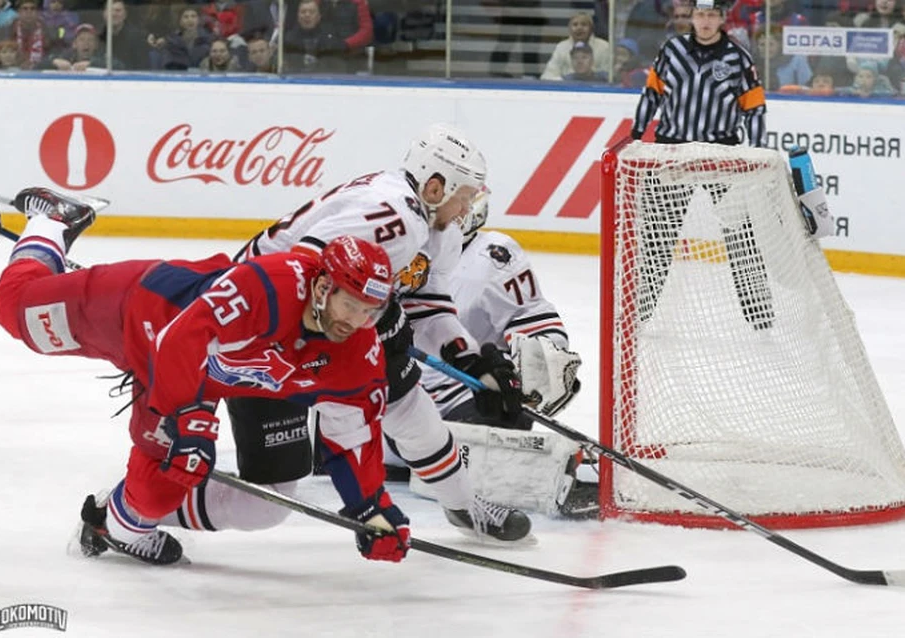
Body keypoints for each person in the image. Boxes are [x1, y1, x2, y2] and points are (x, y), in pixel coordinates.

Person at [0, 187, 410, 566]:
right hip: (139, 311)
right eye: (351, 305)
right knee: (13, 308)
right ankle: (53, 221)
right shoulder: (269, 285)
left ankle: (117, 526)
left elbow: (353, 431)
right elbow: (182, 338)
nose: (357, 321)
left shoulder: (357, 351)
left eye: (370, 311)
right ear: (322, 289)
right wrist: (189, 417)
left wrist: (369, 508)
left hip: (190, 376)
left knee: (168, 481)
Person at [231, 123, 532, 541]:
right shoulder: (393, 215)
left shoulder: (438, 232)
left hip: (332, 326)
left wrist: (471, 360)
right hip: (257, 327)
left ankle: (464, 507)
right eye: (463, 197)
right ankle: (134, 512)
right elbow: (299, 270)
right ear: (435, 188)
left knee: (410, 409)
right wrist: (380, 324)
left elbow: (427, 304)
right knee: (268, 497)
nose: (466, 210)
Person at [412, 187, 595, 518]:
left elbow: (532, 317)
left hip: (464, 396)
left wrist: (543, 359)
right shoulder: (403, 247)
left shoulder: (491, 257)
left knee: (504, 414)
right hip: (397, 391)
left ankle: (538, 473)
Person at [631, 0, 774, 331]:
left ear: (723, 19)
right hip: (672, 152)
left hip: (720, 153)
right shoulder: (671, 50)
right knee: (657, 235)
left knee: (741, 234)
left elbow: (753, 107)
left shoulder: (738, 57)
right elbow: (651, 94)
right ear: (691, 17)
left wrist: (755, 153)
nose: (705, 21)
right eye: (700, 14)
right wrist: (637, 136)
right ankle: (640, 309)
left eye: (712, 15)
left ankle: (759, 316)